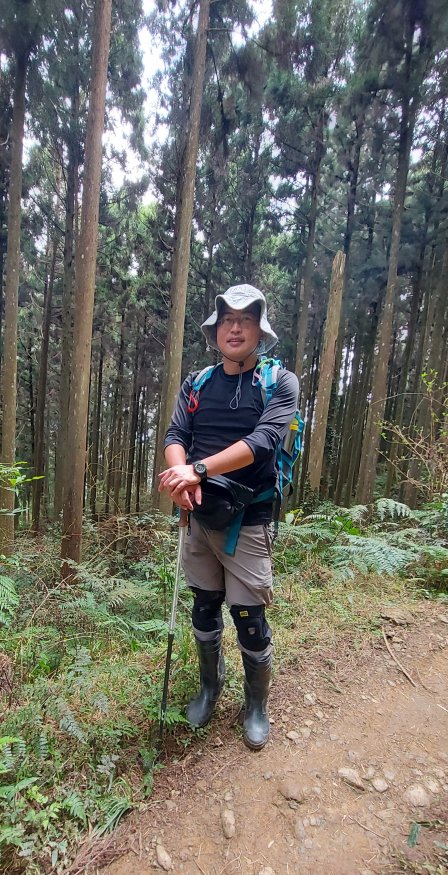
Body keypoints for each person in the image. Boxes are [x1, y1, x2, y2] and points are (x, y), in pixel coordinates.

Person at [158, 283, 299, 750]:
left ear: (260, 330)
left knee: (248, 616)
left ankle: (256, 703)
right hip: (198, 516)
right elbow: (176, 432)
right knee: (203, 605)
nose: (234, 327)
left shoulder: (280, 382)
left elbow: (263, 443)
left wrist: (196, 469)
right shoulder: (197, 383)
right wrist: (182, 477)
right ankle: (209, 686)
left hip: (250, 519)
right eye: (226, 320)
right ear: (215, 330)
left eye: (245, 319)